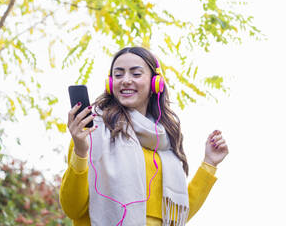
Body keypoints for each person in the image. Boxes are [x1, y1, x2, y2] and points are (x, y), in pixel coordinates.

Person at [60, 47, 229, 226]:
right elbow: (72, 208)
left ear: (155, 83)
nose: (126, 80)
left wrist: (210, 163)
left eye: (136, 74)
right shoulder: (92, 131)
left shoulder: (166, 144)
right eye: (118, 75)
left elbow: (178, 214)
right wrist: (80, 149)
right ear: (110, 83)